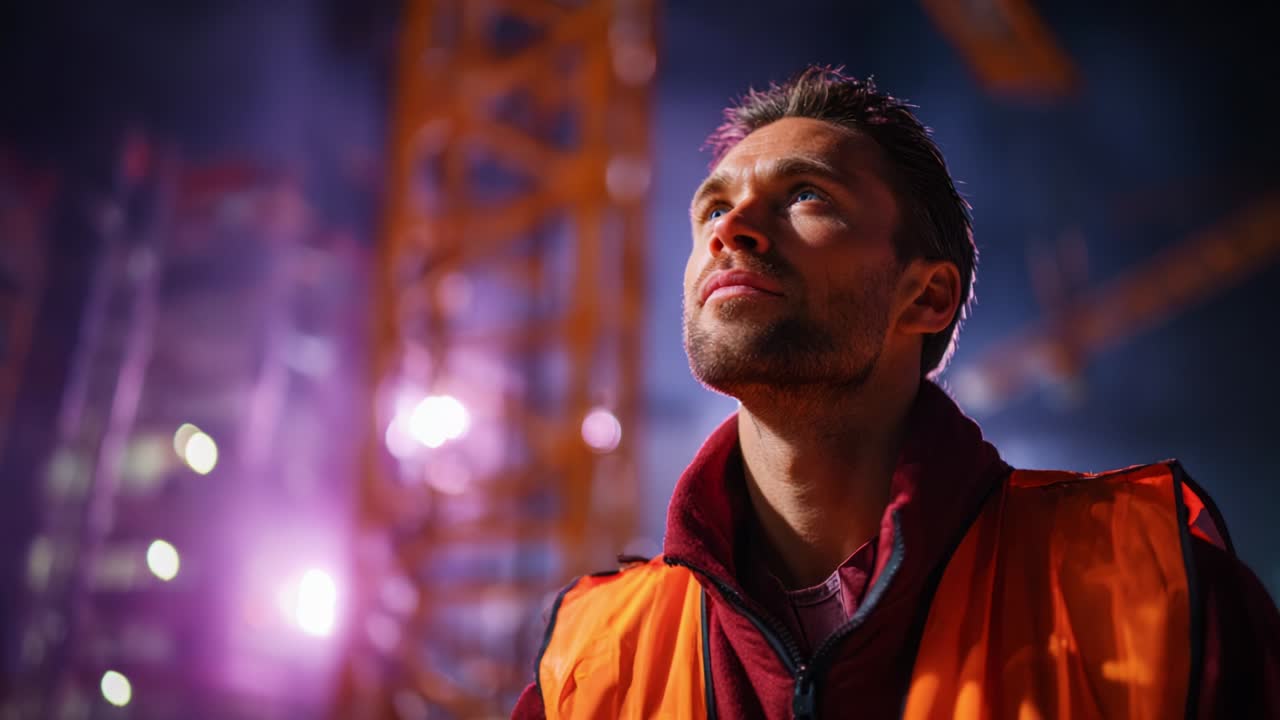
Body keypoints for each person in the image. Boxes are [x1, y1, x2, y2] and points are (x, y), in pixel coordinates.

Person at [512, 66, 1280, 719]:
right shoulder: (593, 656)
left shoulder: (1148, 588)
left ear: (927, 299)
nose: (731, 228)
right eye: (714, 207)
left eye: (807, 196)